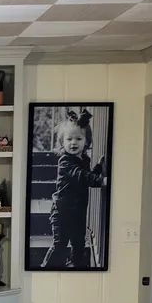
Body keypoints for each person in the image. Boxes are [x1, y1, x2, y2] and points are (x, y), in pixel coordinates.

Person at [40, 108, 107, 269]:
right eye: (69, 139)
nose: (73, 143)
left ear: (87, 141)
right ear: (62, 142)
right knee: (60, 245)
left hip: (78, 212)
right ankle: (46, 268)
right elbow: (81, 175)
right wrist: (101, 180)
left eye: (79, 138)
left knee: (79, 243)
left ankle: (75, 267)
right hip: (62, 212)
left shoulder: (84, 159)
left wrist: (99, 167)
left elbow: (87, 175)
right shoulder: (65, 161)